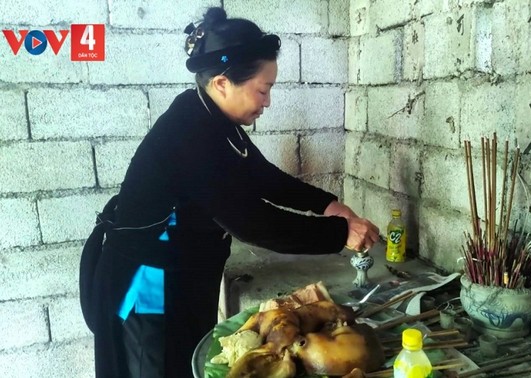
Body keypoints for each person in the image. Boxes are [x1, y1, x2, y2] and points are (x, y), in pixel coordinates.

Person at [79, 6, 380, 378]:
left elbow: (263, 177)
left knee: (192, 361)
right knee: (158, 368)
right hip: (150, 286)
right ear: (223, 82)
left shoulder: (213, 119)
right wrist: (340, 233)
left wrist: (328, 204)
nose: (267, 101)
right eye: (263, 89)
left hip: (185, 275)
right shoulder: (189, 133)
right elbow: (254, 223)